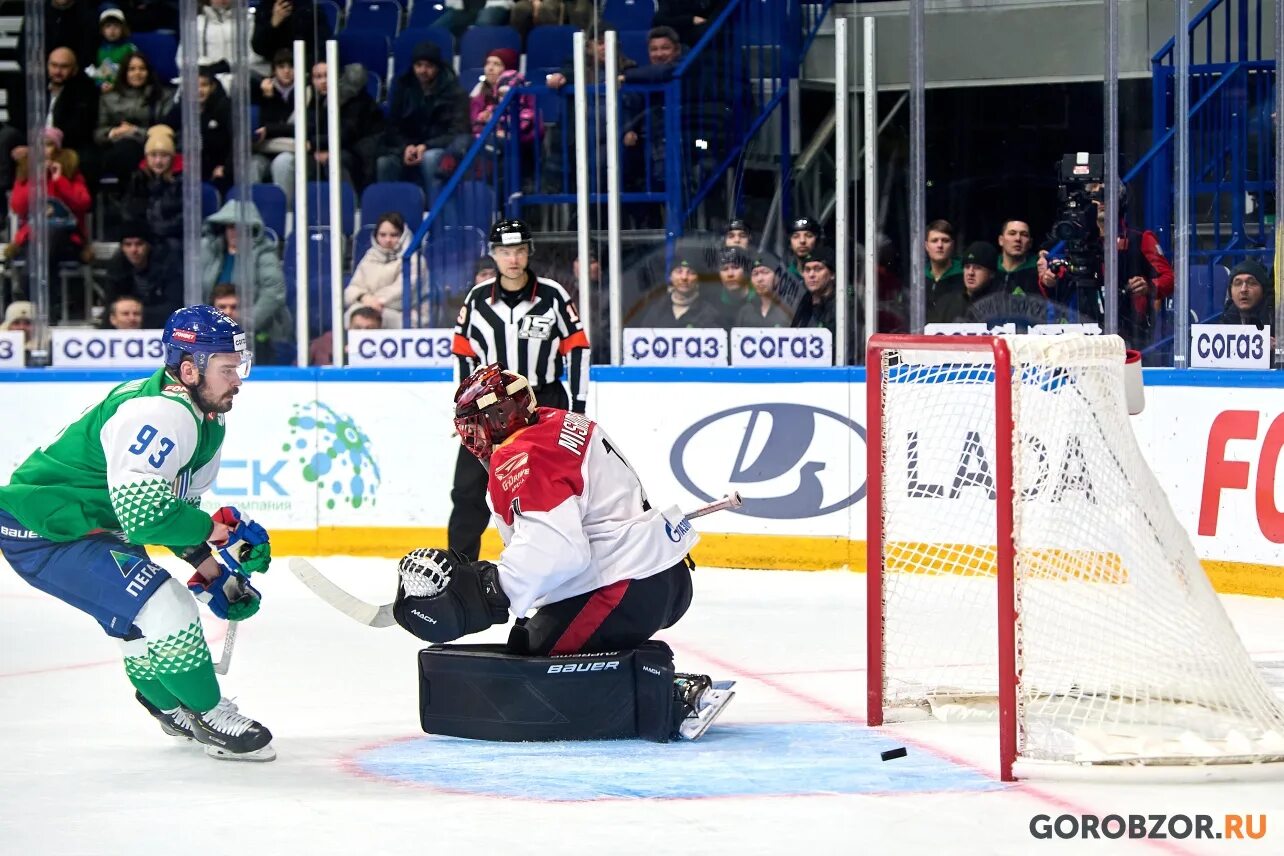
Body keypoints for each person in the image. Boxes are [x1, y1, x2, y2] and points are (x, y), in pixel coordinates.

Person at [394, 363, 734, 742]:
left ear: (495, 421)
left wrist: (492, 589)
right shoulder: (557, 421)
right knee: (532, 638)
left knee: (538, 666)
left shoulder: (518, 455)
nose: (471, 443)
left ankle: (670, 695)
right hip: (660, 572)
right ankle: (643, 669)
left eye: (472, 430)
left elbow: (558, 551)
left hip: (626, 584)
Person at [0, 305, 276, 761]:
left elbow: (174, 510)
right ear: (190, 370)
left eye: (239, 366)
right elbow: (146, 515)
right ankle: (210, 717)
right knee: (163, 603)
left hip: (87, 523)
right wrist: (222, 535)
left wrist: (215, 575)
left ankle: (169, 705)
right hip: (45, 529)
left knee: (138, 620)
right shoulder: (160, 413)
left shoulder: (206, 416)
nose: (238, 379)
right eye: (228, 369)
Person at [448, 219, 590, 562]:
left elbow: (579, 347)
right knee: (468, 490)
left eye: (520, 251)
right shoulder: (477, 299)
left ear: (529, 252)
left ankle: (566, 563)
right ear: (494, 255)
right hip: (486, 411)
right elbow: (463, 353)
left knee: (552, 489)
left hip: (542, 406)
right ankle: (459, 568)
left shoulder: (553, 295)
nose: (513, 259)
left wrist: (578, 408)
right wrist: (462, 413)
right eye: (505, 252)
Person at [200, 200, 293, 363]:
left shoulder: (264, 251)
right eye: (230, 226)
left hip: (260, 335)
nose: (235, 231)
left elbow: (274, 293)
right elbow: (199, 289)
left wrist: (246, 325)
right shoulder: (210, 250)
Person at [376, 41, 470, 201]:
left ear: (437, 67)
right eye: (418, 65)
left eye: (428, 66)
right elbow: (393, 127)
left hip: (440, 147)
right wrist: (405, 148)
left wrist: (426, 146)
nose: (423, 71)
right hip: (409, 147)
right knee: (384, 163)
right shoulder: (403, 88)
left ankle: (437, 212)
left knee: (431, 158)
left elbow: (457, 132)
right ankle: (389, 213)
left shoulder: (455, 92)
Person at [95, 53, 176, 184]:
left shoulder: (163, 96)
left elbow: (166, 130)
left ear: (148, 72)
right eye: (132, 69)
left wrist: (135, 131)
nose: (137, 73)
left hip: (150, 145)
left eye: (142, 69)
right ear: (124, 72)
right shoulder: (108, 98)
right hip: (115, 145)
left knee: (127, 151)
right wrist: (113, 132)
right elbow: (98, 132)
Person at [344, 212, 424, 329]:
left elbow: (402, 293)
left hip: (406, 316)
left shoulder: (414, 260)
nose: (388, 240)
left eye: (394, 235)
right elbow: (352, 288)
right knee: (351, 316)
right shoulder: (369, 257)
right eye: (382, 235)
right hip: (369, 306)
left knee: (367, 320)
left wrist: (373, 301)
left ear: (403, 236)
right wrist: (364, 297)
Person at [929, 241, 1003, 324]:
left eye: (977, 268)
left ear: (991, 273)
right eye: (967, 267)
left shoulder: (1001, 306)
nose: (970, 273)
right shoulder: (946, 304)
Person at [638, 257, 723, 328]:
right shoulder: (657, 310)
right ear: (670, 277)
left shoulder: (709, 314)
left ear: (698, 280)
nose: (684, 277)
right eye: (679, 271)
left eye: (691, 272)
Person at [736, 254, 793, 327]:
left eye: (765, 272)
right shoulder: (746, 312)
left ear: (777, 277)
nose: (760, 279)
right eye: (755, 274)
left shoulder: (788, 310)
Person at [91, 7, 138, 92]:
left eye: (116, 26)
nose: (112, 30)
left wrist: (117, 84)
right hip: (104, 90)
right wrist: (100, 83)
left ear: (123, 29)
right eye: (108, 26)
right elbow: (96, 72)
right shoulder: (99, 50)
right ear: (102, 30)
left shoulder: (129, 48)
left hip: (125, 89)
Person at [1219, 259, 1274, 327]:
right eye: (1238, 283)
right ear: (1230, 292)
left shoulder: (1276, 318)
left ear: (1263, 289)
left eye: (1251, 283)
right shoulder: (1226, 320)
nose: (1243, 289)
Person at [994, 219, 1038, 295]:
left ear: (1030, 243)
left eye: (1024, 235)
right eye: (1012, 233)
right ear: (1001, 240)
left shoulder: (1039, 272)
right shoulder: (989, 269)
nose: (1018, 239)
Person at [924, 219, 963, 303]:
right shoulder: (919, 278)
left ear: (952, 245)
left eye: (945, 241)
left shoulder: (965, 275)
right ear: (926, 246)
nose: (940, 245)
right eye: (934, 241)